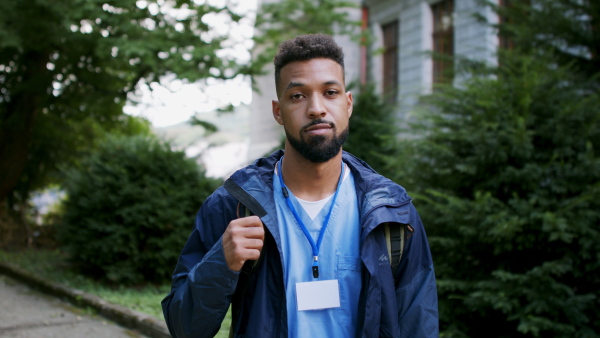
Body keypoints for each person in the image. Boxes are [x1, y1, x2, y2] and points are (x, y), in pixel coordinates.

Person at [161, 34, 438, 338]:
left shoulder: (392, 213)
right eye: (297, 96)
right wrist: (221, 261)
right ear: (278, 111)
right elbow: (183, 328)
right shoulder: (234, 206)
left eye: (330, 92)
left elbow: (418, 325)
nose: (316, 108)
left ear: (348, 104)